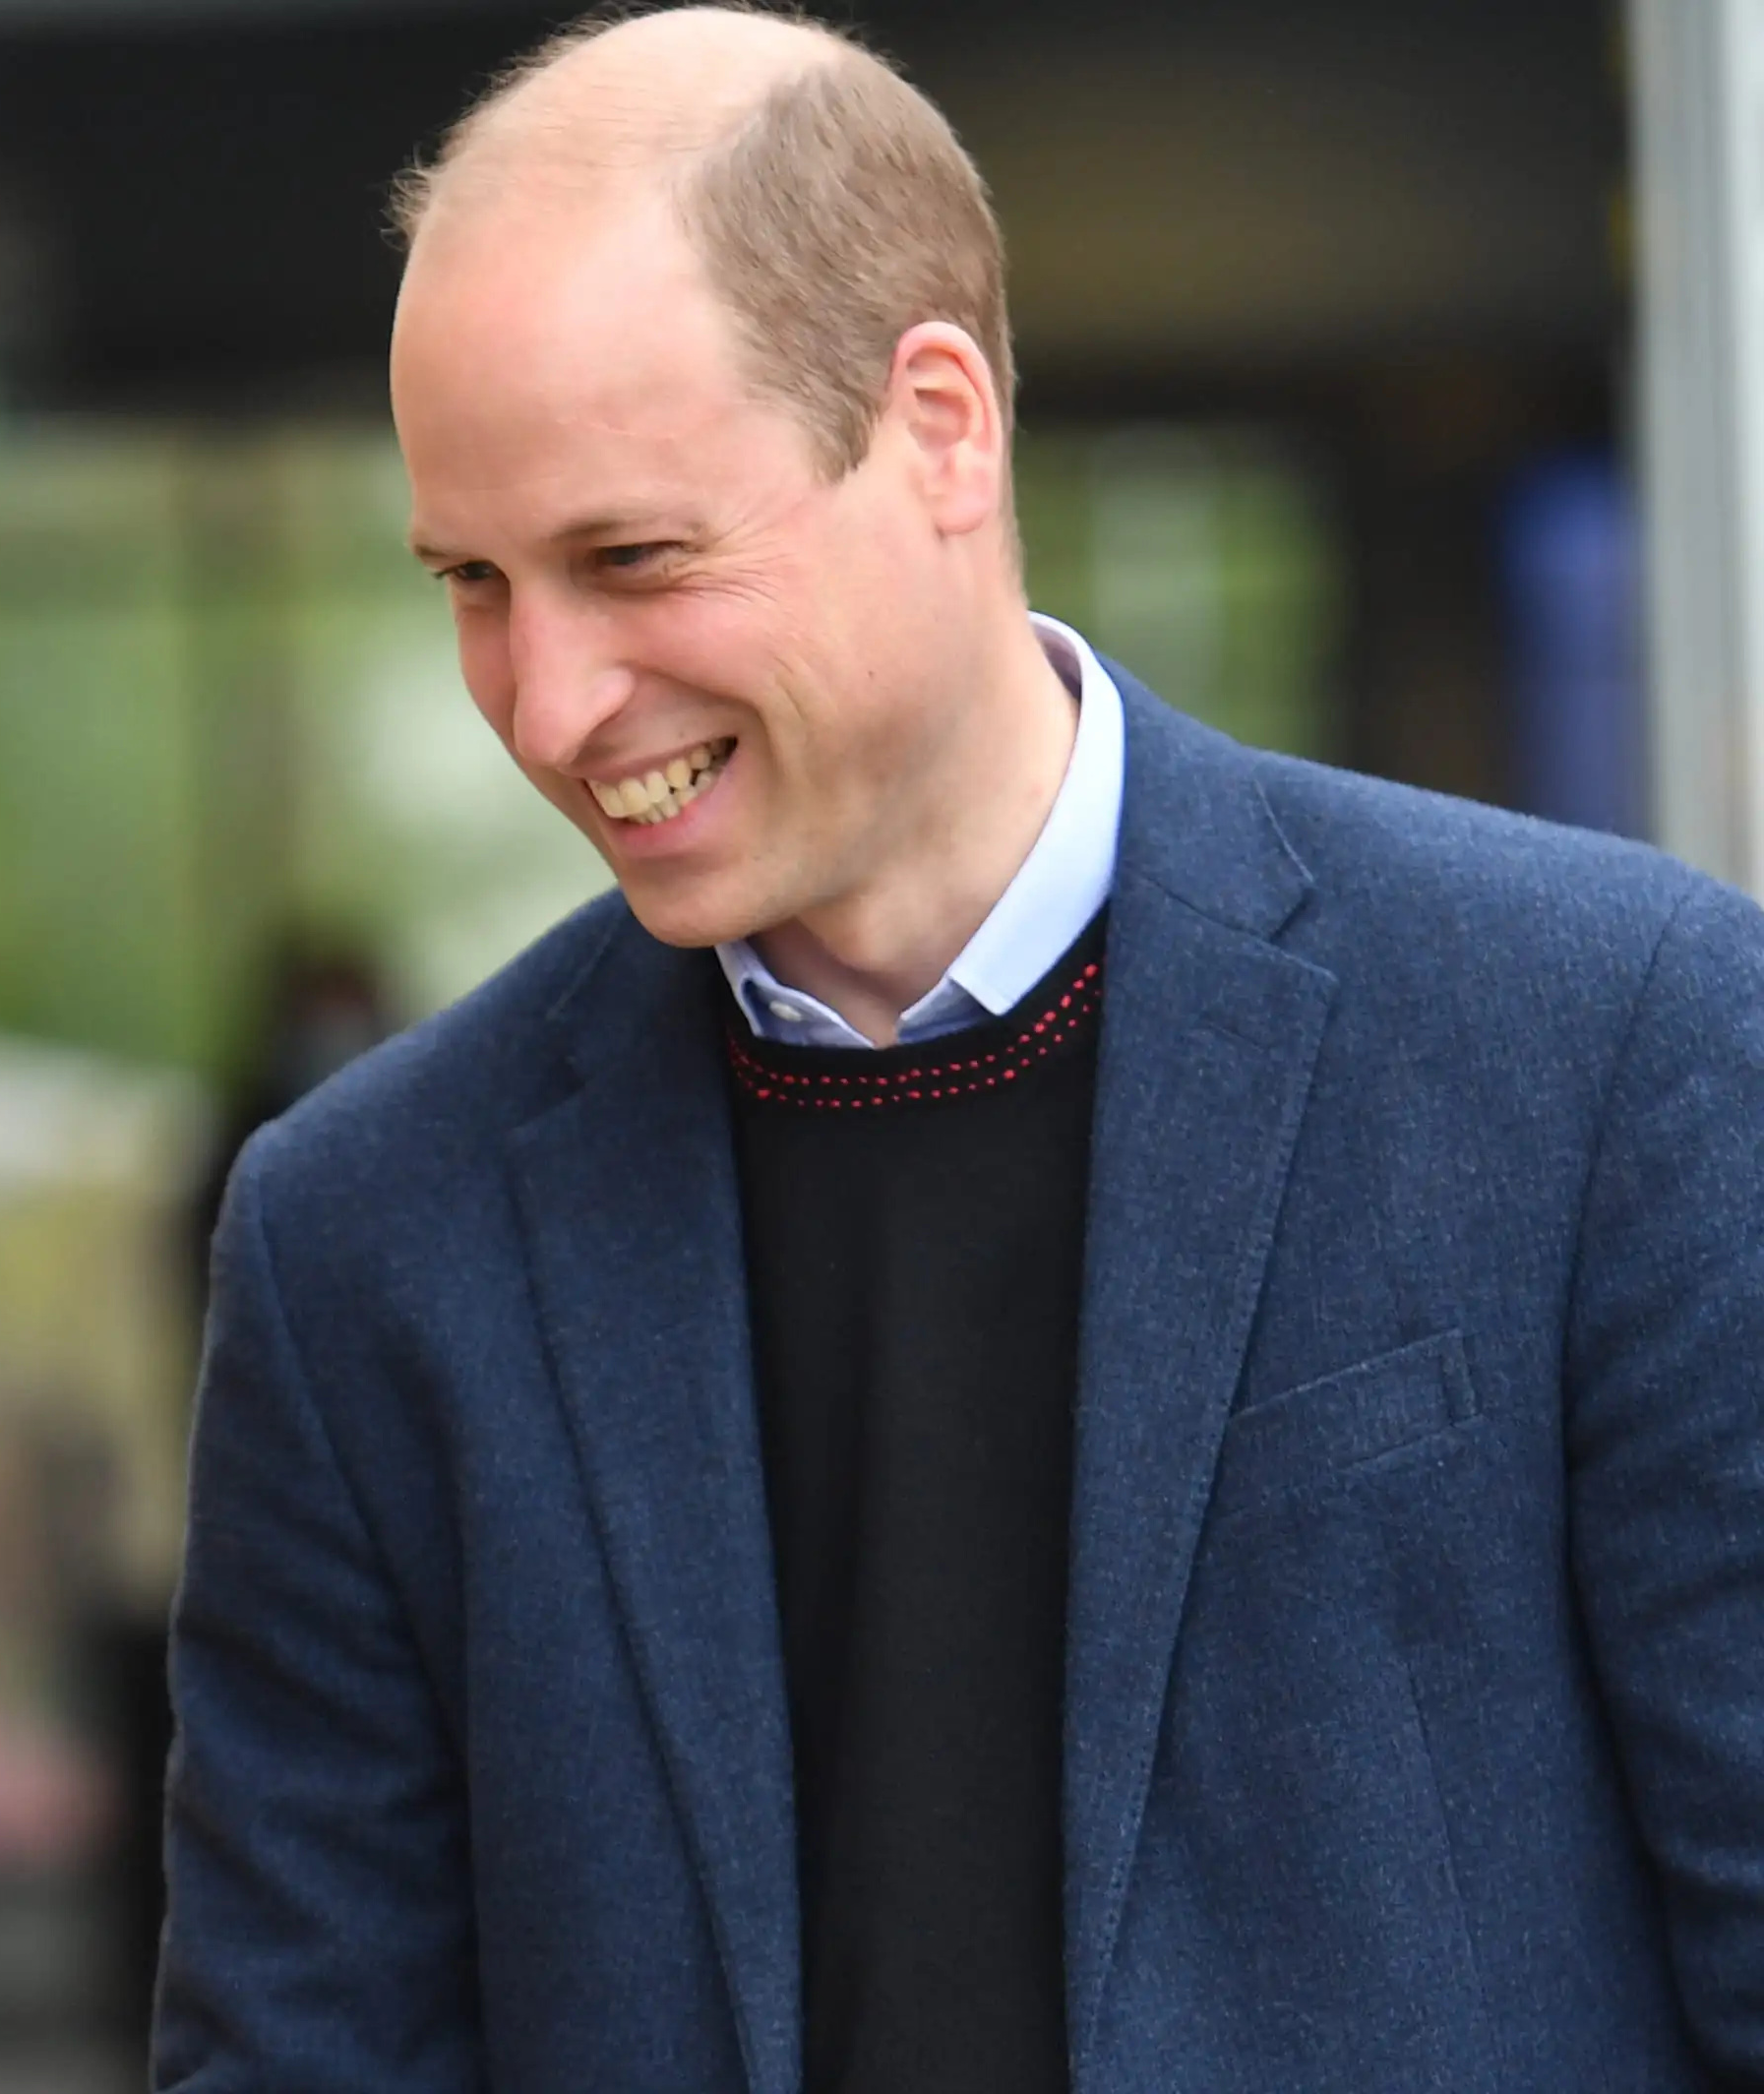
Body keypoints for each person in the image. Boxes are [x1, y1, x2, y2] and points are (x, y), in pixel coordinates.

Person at [155, 10, 1764, 2090]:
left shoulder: (1604, 1043)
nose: (547, 703)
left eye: (631, 558)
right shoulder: (364, 1233)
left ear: (938, 425)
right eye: (473, 580)